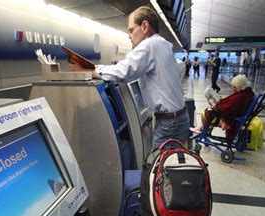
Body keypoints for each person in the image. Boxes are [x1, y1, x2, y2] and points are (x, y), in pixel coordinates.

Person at [70, 6, 189, 149]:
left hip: (170, 124)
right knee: (167, 165)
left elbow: (124, 71)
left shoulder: (149, 45)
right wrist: (98, 68)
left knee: (159, 167)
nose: (129, 35)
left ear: (144, 26)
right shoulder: (162, 44)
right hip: (178, 118)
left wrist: (91, 72)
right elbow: (131, 68)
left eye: (131, 30)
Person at [190, 74, 255, 141]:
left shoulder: (240, 96)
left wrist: (213, 104)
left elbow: (226, 109)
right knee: (211, 110)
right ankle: (200, 129)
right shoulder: (247, 93)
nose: (233, 89)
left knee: (207, 113)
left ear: (239, 87)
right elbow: (232, 104)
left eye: (234, 87)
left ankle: (203, 131)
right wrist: (223, 101)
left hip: (232, 120)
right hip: (239, 116)